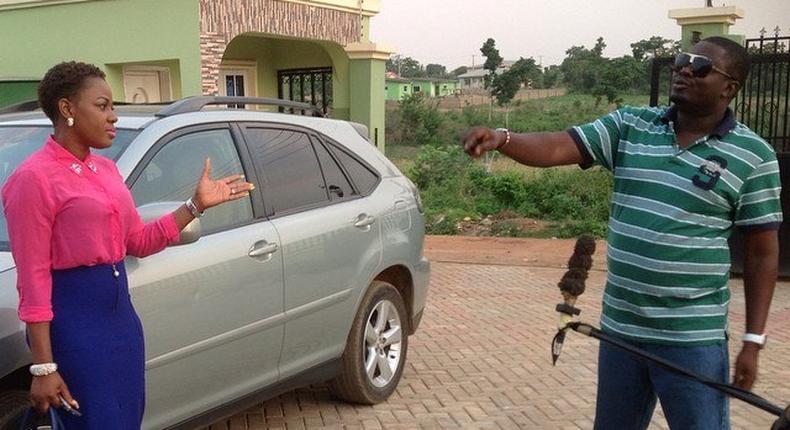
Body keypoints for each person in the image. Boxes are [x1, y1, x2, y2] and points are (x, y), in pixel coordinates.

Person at [462, 37, 782, 429]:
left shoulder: (754, 156)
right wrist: (503, 139)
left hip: (692, 339)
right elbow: (558, 146)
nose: (683, 70)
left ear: (729, 87)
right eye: (681, 61)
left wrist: (754, 341)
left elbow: (762, 253)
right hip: (621, 333)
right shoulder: (631, 125)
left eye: (699, 66)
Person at [1, 61, 254, 428]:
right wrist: (43, 367)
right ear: (67, 109)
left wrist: (194, 205)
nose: (113, 117)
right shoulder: (33, 179)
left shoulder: (104, 171)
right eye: (102, 106)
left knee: (127, 418)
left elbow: (136, 240)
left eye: (113, 107)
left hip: (121, 322)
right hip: (75, 325)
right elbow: (33, 277)